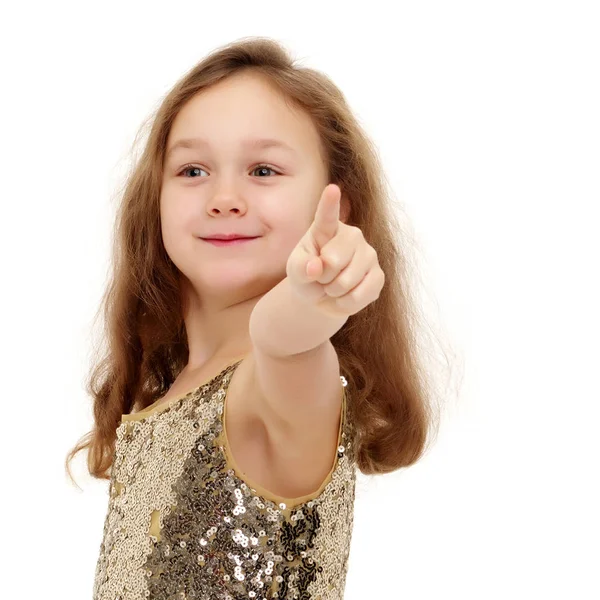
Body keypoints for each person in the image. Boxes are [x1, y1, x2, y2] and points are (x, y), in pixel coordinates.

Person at [66, 36, 446, 600]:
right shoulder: (173, 392)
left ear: (340, 209)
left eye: (264, 170)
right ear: (156, 201)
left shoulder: (277, 385)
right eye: (192, 170)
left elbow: (285, 342)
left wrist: (311, 298)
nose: (223, 197)